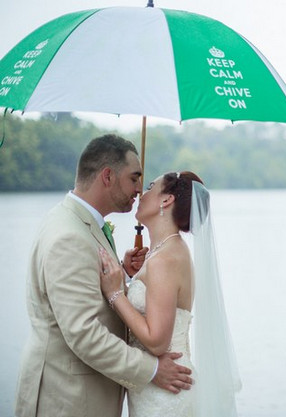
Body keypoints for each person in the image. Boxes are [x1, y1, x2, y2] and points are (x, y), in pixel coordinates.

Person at [14, 135, 193, 417]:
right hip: (67, 400)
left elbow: (87, 291)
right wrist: (153, 369)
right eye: (135, 179)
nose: (138, 190)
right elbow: (84, 333)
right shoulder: (68, 236)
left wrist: (121, 275)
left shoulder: (77, 222)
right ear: (108, 176)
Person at [99, 171, 241, 417]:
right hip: (155, 387)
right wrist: (128, 275)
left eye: (151, 186)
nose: (141, 193)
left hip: (166, 392)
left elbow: (156, 341)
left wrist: (115, 294)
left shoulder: (165, 259)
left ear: (166, 200)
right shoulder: (164, 252)